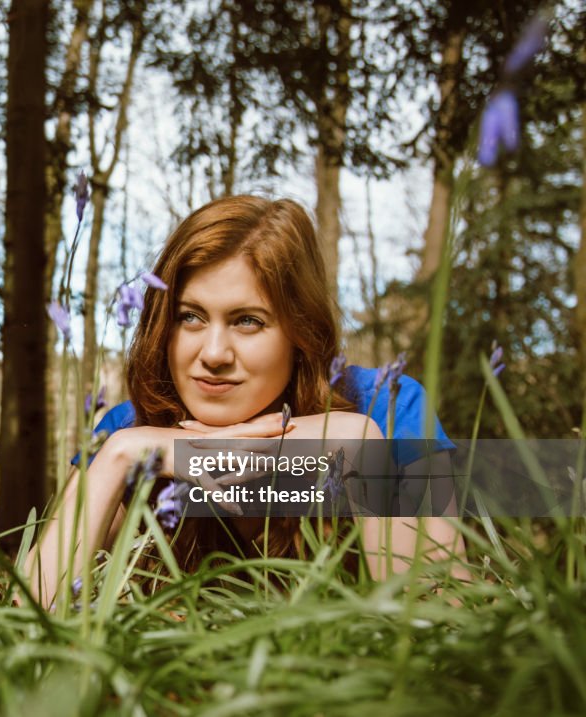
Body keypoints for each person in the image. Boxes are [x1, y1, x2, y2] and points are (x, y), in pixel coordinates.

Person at [24, 195, 466, 607]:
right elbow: (35, 608)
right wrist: (121, 455)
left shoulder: (388, 406)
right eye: (190, 316)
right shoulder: (130, 427)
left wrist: (355, 440)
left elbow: (443, 605)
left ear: (300, 333)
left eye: (248, 321)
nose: (213, 354)